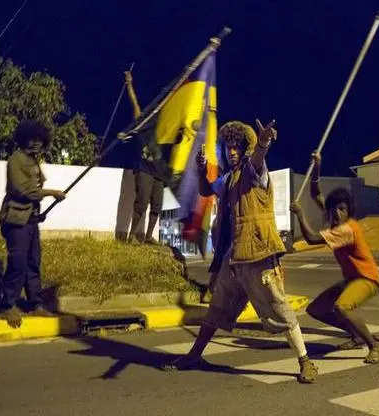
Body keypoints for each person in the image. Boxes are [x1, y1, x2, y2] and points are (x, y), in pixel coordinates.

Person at [163, 119, 319, 384]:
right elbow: (206, 190)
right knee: (217, 308)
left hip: (258, 255)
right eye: (228, 147)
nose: (232, 151)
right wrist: (202, 171)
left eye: (237, 147)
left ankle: (305, 361)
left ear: (246, 148)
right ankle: (195, 355)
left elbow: (258, 159)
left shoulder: (253, 171)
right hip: (233, 259)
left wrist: (263, 143)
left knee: (279, 308)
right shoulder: (228, 179)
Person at [289, 152, 379, 364]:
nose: (336, 213)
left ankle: (374, 346)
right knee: (315, 310)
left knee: (343, 307)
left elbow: (313, 238)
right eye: (333, 209)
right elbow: (316, 193)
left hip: (367, 279)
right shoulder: (336, 220)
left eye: (342, 209)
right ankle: (356, 334)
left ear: (348, 210)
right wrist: (317, 167)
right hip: (351, 279)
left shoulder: (347, 229)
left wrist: (300, 214)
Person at [0, 120, 66, 327]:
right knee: (17, 264)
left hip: (29, 220)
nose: (36, 144)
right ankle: (7, 305)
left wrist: (37, 214)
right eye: (32, 139)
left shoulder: (34, 161)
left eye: (39, 140)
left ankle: (34, 304)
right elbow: (23, 190)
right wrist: (52, 193)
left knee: (33, 263)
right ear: (24, 138)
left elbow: (33, 193)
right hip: (15, 220)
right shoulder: (16, 160)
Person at [124, 70, 166, 244]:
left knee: (157, 206)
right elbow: (134, 103)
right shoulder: (142, 123)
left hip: (159, 172)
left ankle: (148, 236)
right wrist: (129, 84)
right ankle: (131, 235)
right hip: (144, 169)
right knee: (141, 203)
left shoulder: (164, 128)